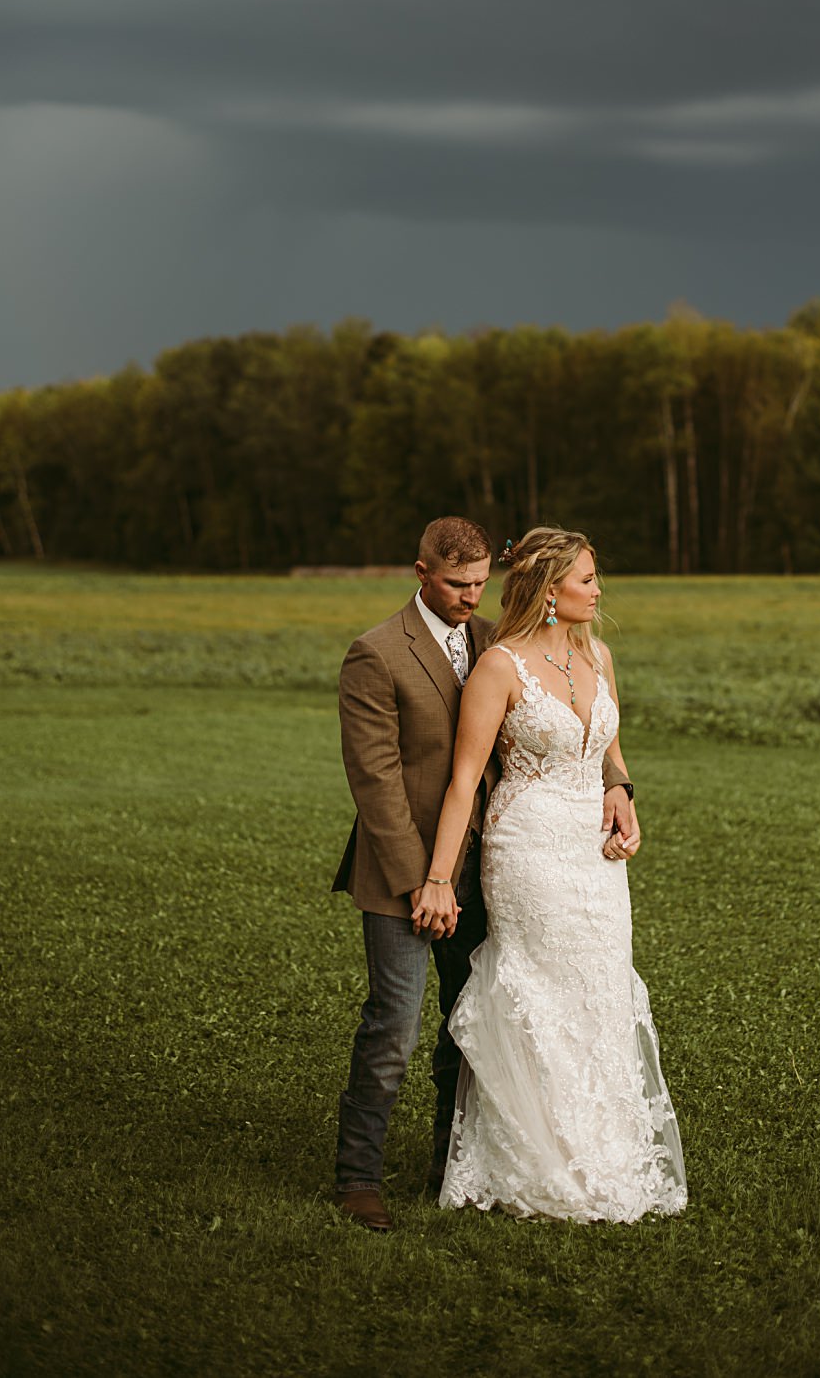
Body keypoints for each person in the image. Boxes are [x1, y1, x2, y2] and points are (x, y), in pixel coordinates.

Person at [330, 516, 637, 1231]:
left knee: (468, 1026)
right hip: (406, 869)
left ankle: (452, 1160)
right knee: (394, 1029)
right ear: (421, 572)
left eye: (479, 583)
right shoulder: (375, 655)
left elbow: (580, 722)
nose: (473, 596)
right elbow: (376, 784)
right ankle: (357, 1177)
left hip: (495, 865)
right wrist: (423, 881)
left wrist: (618, 785)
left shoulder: (500, 639)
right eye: (457, 584)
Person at [414, 526, 687, 1223]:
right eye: (588, 579)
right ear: (550, 589)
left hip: (593, 857)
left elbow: (610, 751)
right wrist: (440, 877)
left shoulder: (599, 653)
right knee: (541, 990)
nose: (599, 592)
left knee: (598, 987)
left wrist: (622, 796)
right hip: (528, 849)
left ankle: (605, 1153)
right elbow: (464, 780)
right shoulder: (501, 667)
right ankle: (534, 1157)